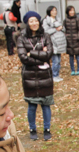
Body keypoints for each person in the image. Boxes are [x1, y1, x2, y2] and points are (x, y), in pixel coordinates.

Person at [17, 11, 54, 141]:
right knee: (32, 105)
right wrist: (40, 54)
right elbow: (23, 58)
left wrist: (31, 53)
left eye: (36, 20)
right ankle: (32, 129)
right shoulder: (21, 38)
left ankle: (47, 129)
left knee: (46, 104)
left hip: (45, 75)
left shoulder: (46, 36)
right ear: (27, 23)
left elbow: (49, 54)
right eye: (31, 21)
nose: (34, 23)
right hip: (29, 76)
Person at [43, 6, 66, 82]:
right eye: (53, 11)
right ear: (49, 12)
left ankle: (57, 75)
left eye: (55, 10)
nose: (54, 12)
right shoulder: (46, 20)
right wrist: (55, 29)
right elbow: (46, 31)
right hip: (52, 42)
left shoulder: (58, 19)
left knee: (58, 60)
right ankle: (54, 75)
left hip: (60, 43)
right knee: (55, 60)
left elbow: (63, 28)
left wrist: (61, 28)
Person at [64, 6, 79, 76]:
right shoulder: (65, 20)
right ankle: (72, 70)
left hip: (76, 41)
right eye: (70, 11)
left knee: (77, 56)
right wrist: (66, 37)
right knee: (71, 57)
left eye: (73, 10)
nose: (72, 12)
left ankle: (78, 70)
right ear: (68, 12)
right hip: (69, 41)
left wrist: (78, 37)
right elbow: (64, 29)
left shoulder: (77, 19)